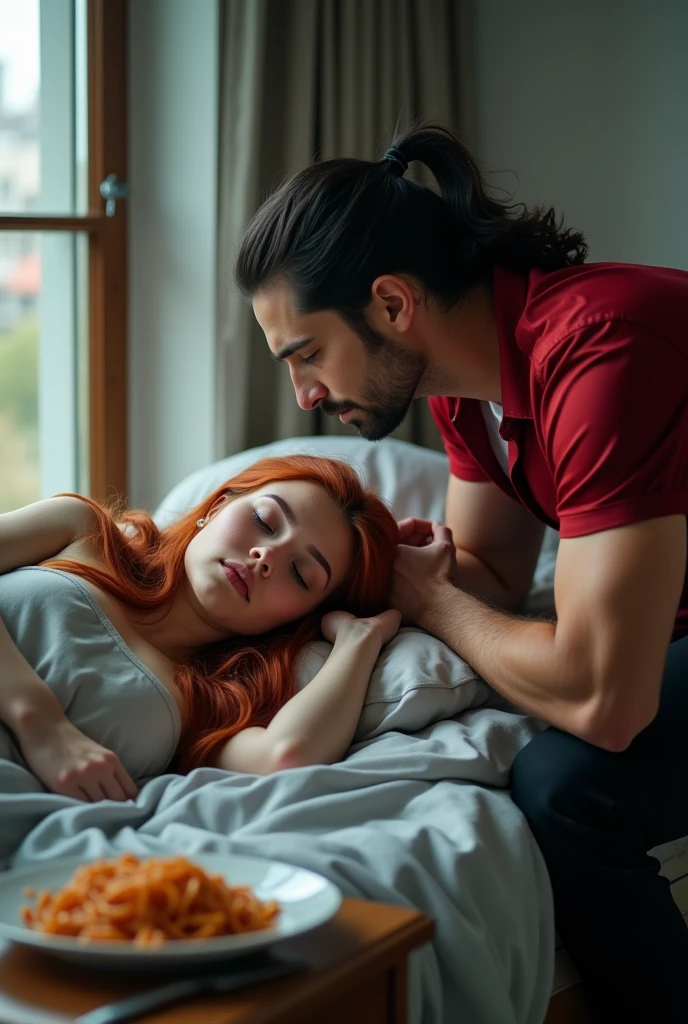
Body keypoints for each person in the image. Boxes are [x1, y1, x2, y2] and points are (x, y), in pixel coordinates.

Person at [234, 122, 688, 1021]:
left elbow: (607, 700)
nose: (304, 398)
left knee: (567, 790)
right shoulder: (465, 394)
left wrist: (433, 598)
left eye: (307, 354)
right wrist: (362, 594)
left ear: (394, 304)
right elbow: (483, 572)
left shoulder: (600, 352)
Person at [0, 454, 400, 802]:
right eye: (264, 519)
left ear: (300, 617)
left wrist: (357, 643)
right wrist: (40, 721)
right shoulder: (80, 529)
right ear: (219, 505)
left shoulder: (206, 708)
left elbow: (285, 756)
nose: (266, 556)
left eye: (300, 573)